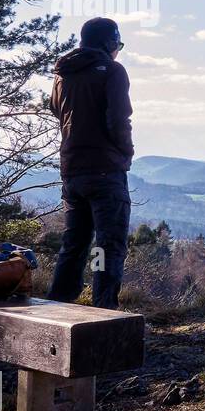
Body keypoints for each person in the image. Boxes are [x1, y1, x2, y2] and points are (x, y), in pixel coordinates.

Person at [47, 16, 134, 310]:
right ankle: (102, 313)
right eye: (118, 44)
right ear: (109, 43)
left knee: (74, 245)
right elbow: (118, 119)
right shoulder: (112, 71)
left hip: (72, 170)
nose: (118, 50)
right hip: (105, 171)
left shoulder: (63, 74)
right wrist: (126, 152)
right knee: (107, 248)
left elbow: (57, 111)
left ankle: (55, 311)